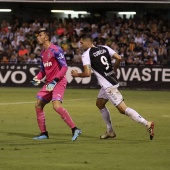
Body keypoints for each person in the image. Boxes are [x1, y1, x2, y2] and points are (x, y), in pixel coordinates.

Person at [71, 34, 154, 140]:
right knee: (100, 104)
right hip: (111, 80)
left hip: (108, 86)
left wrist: (77, 75)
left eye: (82, 42)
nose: (80, 44)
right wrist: (114, 69)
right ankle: (110, 131)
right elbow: (119, 58)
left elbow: (87, 73)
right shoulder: (104, 48)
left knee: (123, 109)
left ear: (88, 42)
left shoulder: (86, 55)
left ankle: (147, 123)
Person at [31, 28, 81, 141]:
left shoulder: (56, 49)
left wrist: (55, 80)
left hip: (58, 82)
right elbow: (42, 71)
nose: (37, 37)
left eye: (40, 35)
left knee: (56, 106)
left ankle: (75, 129)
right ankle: (44, 133)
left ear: (46, 37)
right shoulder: (43, 53)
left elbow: (64, 67)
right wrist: (37, 78)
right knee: (38, 105)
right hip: (49, 83)